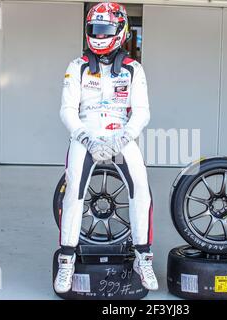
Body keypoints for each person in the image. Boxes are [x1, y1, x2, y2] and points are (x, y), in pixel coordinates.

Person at [54, 2, 158, 293]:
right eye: (94, 29)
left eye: (105, 29)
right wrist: (86, 138)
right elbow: (66, 110)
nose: (99, 35)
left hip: (120, 136)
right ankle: (66, 261)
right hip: (84, 136)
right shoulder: (76, 66)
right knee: (73, 191)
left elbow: (142, 112)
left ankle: (143, 257)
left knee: (142, 188)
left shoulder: (133, 69)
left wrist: (122, 139)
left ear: (120, 31)